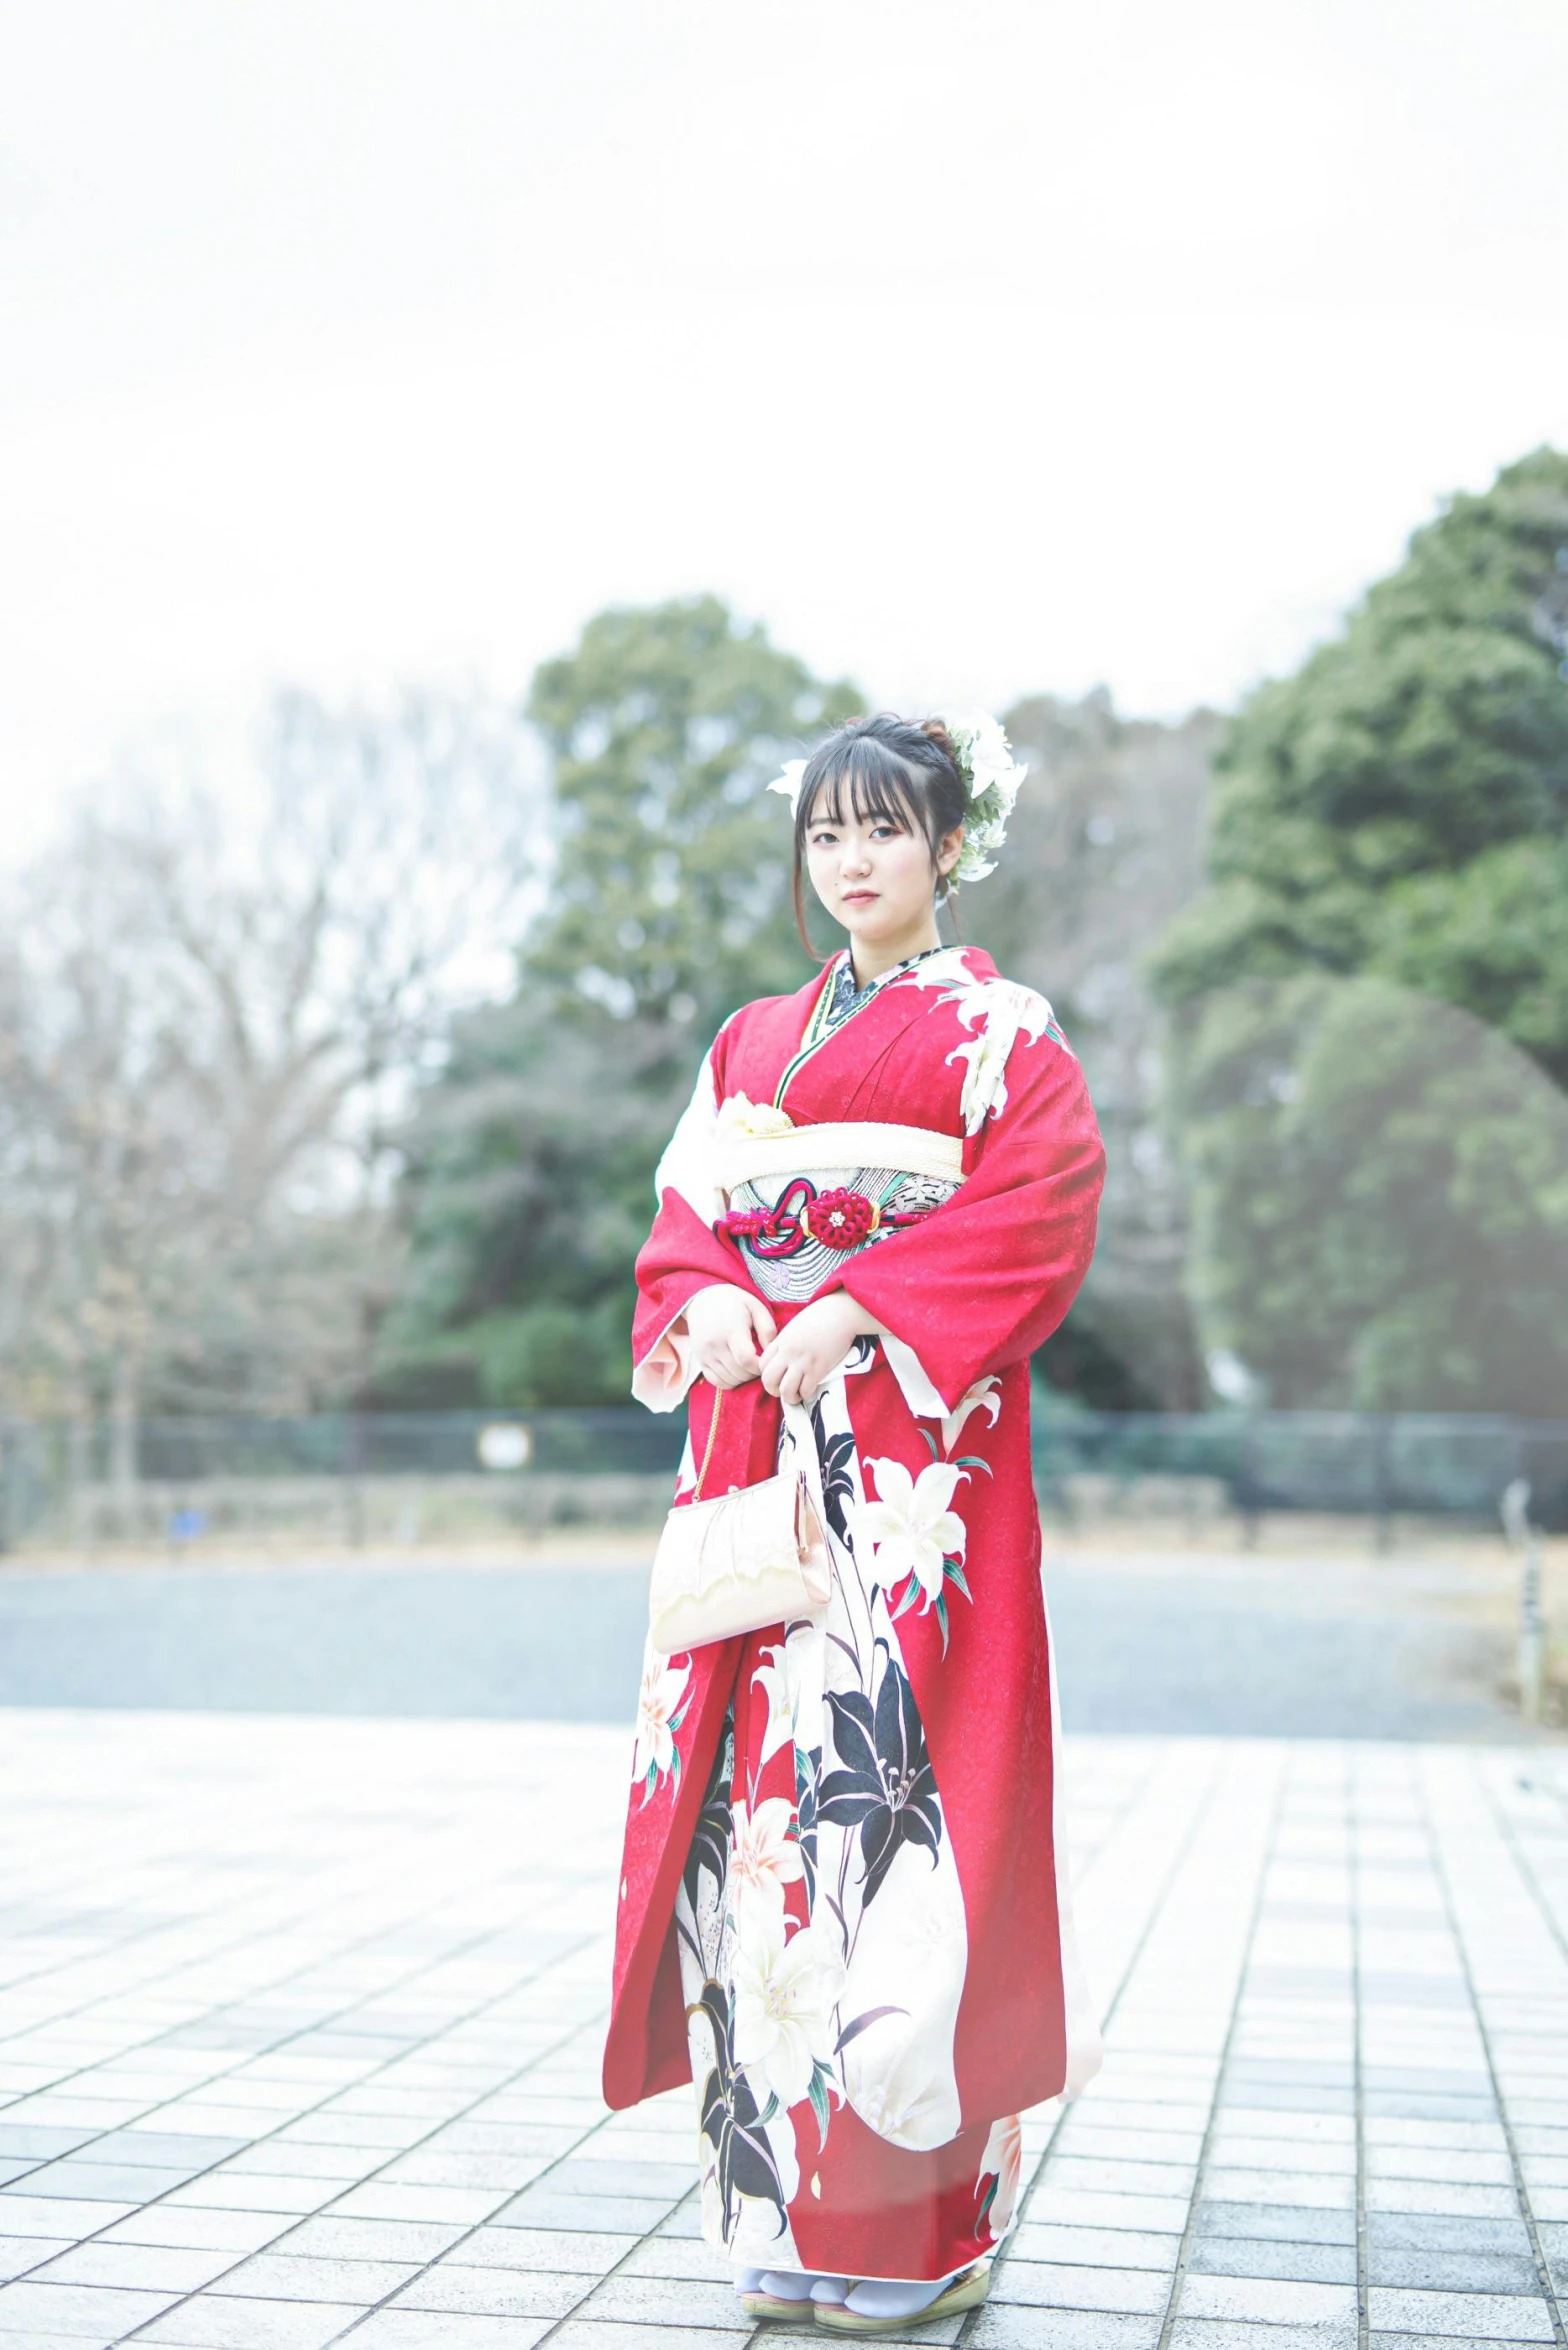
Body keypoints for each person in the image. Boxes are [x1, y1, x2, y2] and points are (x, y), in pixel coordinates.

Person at [603, 712, 1105, 2333]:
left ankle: (914, 2236)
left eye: (885, 831)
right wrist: (722, 1304)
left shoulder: (1003, 1035)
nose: (853, 863)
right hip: (765, 1459)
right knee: (763, 1838)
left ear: (952, 846)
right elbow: (685, 1222)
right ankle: (775, 2217)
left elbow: (1038, 1211)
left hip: (907, 1487)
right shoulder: (752, 1040)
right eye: (827, 837)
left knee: (895, 1829)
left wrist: (869, 1306)